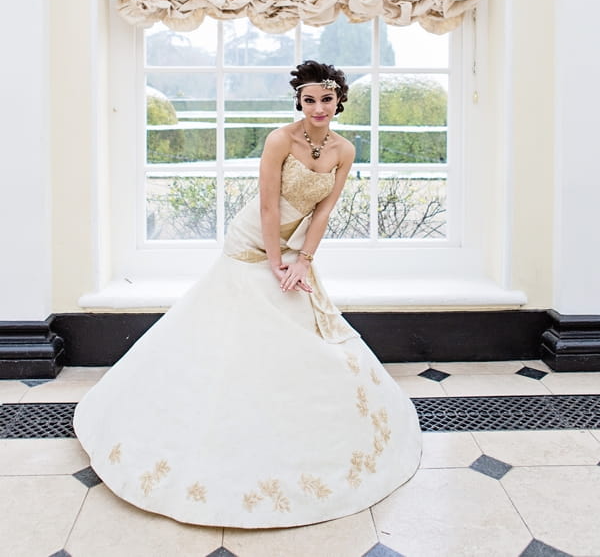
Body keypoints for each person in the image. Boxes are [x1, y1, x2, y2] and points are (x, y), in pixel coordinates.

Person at [74, 60, 421, 528]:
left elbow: (323, 211)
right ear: (299, 102)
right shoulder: (281, 139)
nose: (318, 107)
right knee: (247, 312)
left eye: (326, 99)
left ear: (340, 99)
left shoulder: (344, 149)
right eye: (309, 100)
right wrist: (275, 259)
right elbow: (266, 202)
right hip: (253, 238)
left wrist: (303, 261)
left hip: (297, 243)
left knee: (303, 320)